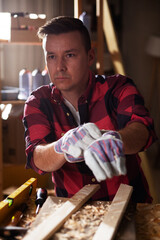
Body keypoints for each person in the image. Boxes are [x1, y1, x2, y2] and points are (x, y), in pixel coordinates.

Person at [23, 16, 157, 203]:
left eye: (70, 55)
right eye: (52, 56)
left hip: (130, 206)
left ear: (90, 57)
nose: (59, 67)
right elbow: (37, 157)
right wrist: (61, 147)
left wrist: (117, 139)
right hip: (74, 211)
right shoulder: (38, 102)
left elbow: (143, 128)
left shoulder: (118, 87)